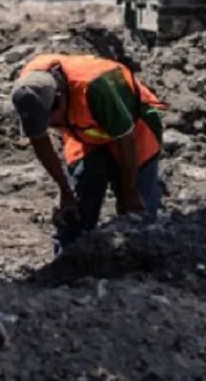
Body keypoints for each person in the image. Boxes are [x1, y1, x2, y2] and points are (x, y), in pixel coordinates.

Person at [10, 54, 166, 257]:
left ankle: (143, 265)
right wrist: (65, 191)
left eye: (50, 121)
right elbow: (39, 141)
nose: (50, 127)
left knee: (138, 214)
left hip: (134, 130)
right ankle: (67, 261)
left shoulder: (95, 88)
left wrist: (129, 190)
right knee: (75, 211)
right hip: (85, 135)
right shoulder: (29, 90)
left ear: (59, 99)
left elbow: (126, 140)